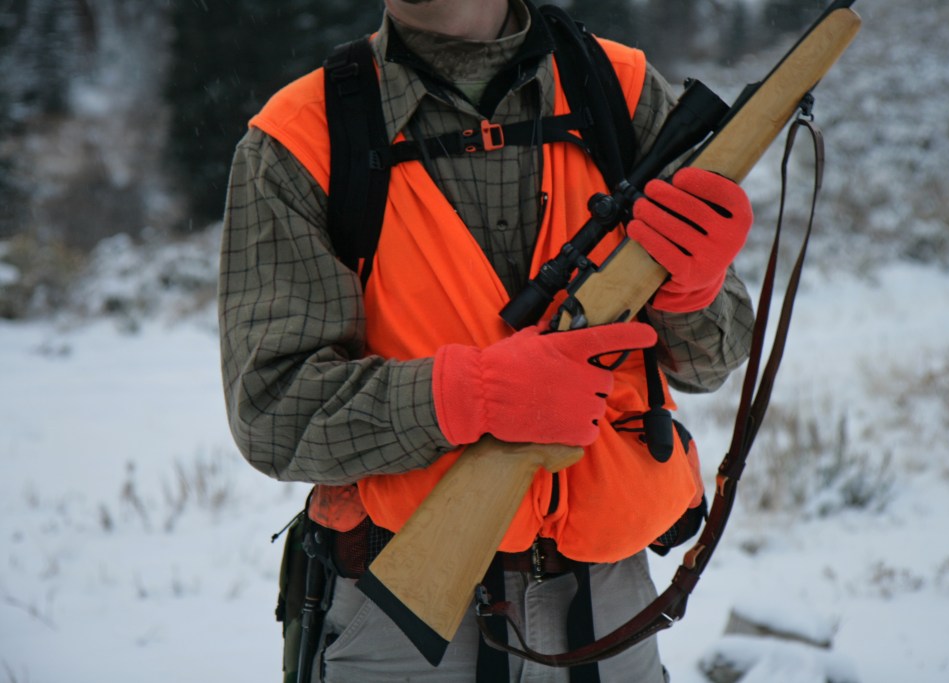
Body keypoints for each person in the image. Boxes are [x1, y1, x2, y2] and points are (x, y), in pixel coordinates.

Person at [218, 0, 755, 681]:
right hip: (402, 619)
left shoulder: (621, 90)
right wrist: (469, 395)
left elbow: (714, 358)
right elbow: (272, 412)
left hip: (611, 609)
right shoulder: (301, 137)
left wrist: (695, 292)